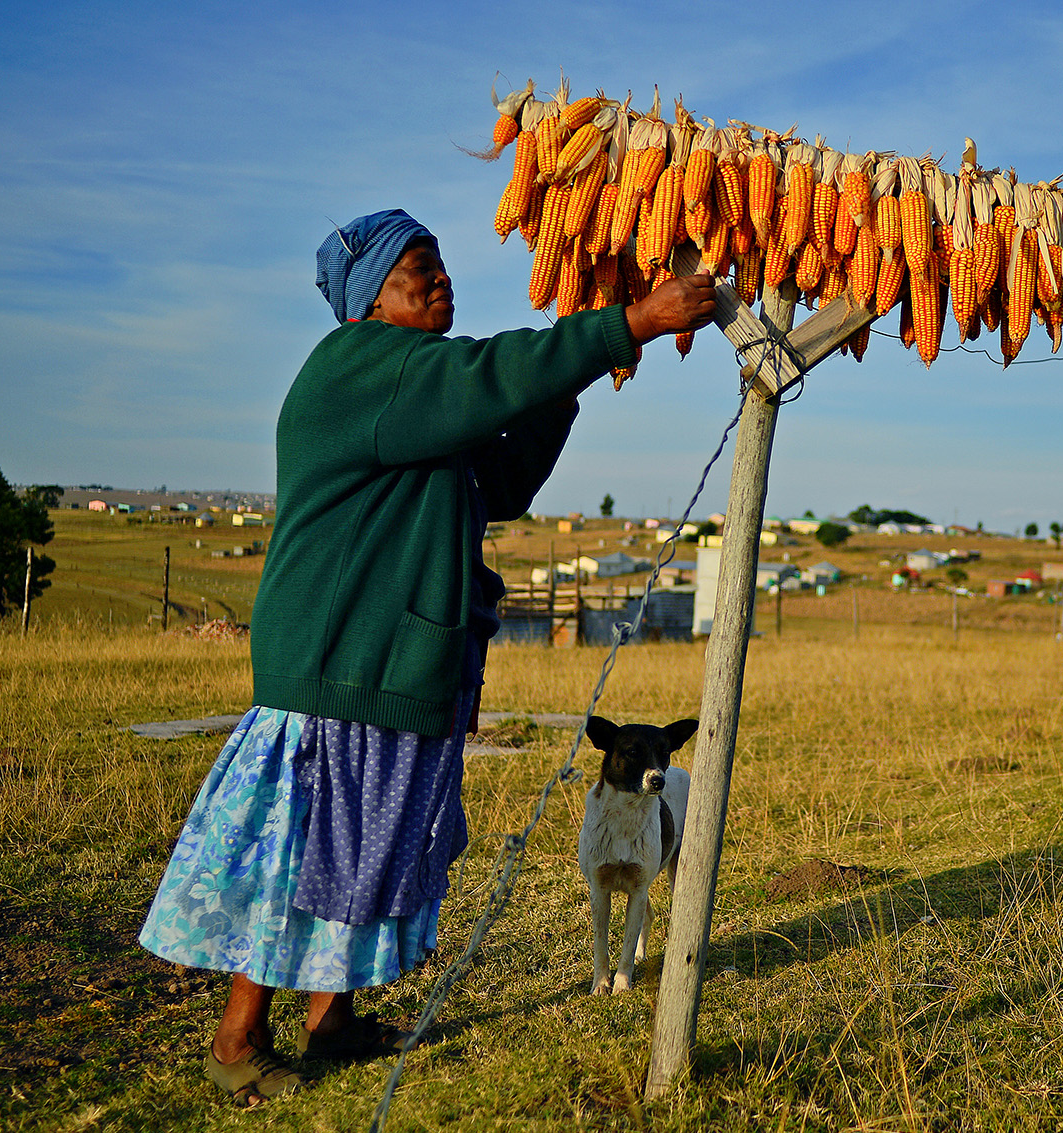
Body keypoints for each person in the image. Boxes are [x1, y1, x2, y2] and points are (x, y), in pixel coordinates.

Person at [138, 209, 715, 1105]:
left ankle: (330, 1017)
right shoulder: (360, 369)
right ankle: (237, 1040)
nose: (442, 278)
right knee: (302, 855)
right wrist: (627, 322)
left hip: (393, 663)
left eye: (442, 263)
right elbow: (490, 376)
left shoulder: (417, 397)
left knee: (369, 850)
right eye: (419, 266)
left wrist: (578, 373)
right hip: (341, 663)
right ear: (371, 297)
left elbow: (502, 477)